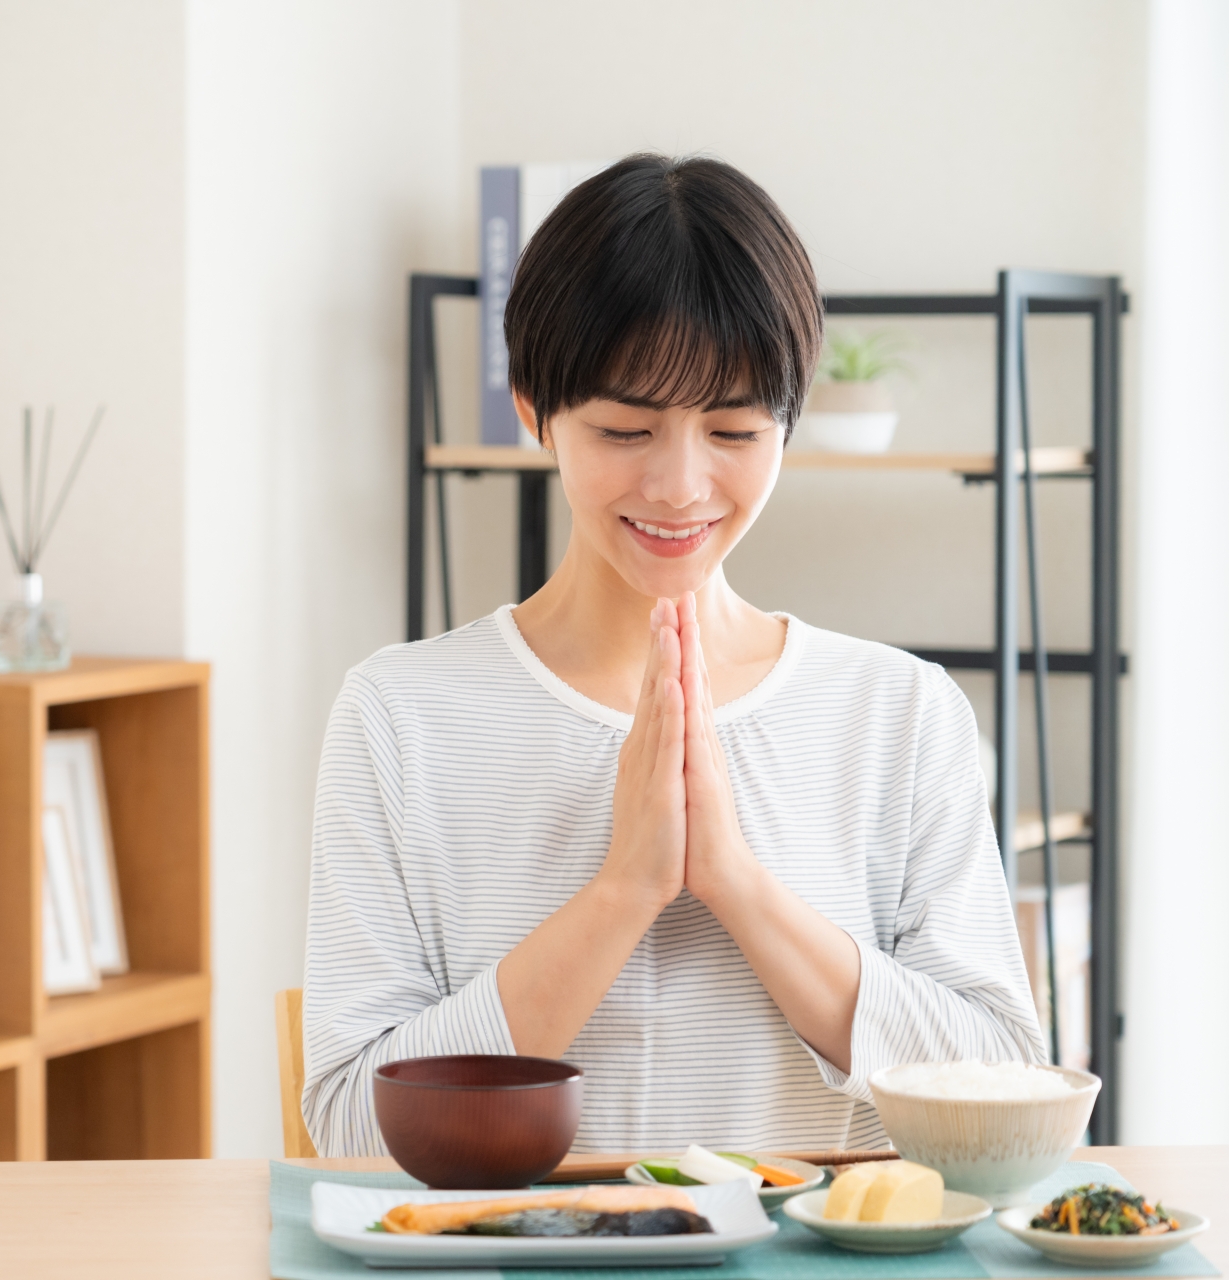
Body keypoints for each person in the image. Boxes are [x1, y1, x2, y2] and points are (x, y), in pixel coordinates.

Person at [301, 154, 1043, 1156]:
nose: (681, 483)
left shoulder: (900, 712)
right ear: (533, 408)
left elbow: (1002, 1093)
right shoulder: (401, 714)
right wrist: (622, 893)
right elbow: (351, 1127)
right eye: (625, 427)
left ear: (787, 421)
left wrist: (735, 880)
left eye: (733, 427)